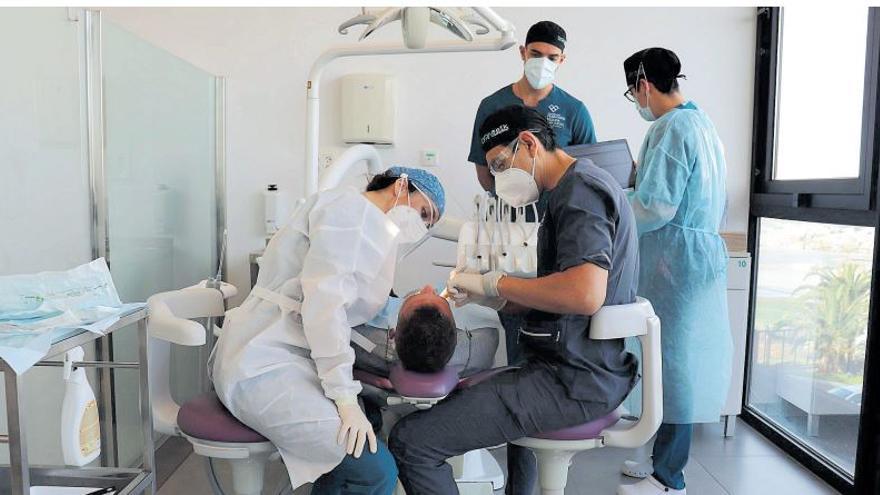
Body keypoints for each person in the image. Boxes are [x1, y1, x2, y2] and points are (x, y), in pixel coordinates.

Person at [389, 105, 639, 495]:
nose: (499, 179)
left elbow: (585, 294)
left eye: (501, 165)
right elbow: (559, 291)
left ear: (528, 143)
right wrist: (496, 301)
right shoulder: (568, 192)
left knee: (412, 441)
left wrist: (498, 284)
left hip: (574, 381)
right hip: (573, 369)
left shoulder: (581, 192)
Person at [211, 166, 445, 494]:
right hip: (262, 363)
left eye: (427, 223)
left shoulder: (370, 227)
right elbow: (326, 307)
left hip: (295, 356)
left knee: (370, 426)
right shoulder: (350, 212)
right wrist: (345, 397)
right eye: (423, 212)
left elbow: (348, 305)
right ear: (401, 185)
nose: (419, 224)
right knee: (374, 470)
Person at [467, 21, 599, 484]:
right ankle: (523, 482)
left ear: (562, 60)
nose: (543, 62)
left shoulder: (575, 113)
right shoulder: (493, 106)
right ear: (522, 51)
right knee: (520, 361)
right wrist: (507, 179)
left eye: (553, 56)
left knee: (560, 351)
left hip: (562, 244)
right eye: (537, 52)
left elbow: (585, 169)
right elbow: (484, 174)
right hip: (510, 237)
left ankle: (556, 459)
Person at [617, 48, 732, 495]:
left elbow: (656, 205)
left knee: (676, 367)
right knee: (669, 360)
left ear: (643, 85)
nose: (636, 101)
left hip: (676, 259)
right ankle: (657, 461)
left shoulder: (673, 127)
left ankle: (669, 478)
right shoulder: (702, 124)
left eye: (632, 92)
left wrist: (615, 202)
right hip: (692, 255)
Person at [353, 285, 499, 378]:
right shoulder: (486, 341)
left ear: (392, 334)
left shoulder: (358, 342)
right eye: (442, 300)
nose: (429, 287)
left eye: (412, 299)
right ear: (457, 332)